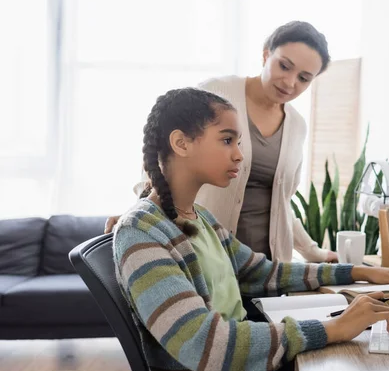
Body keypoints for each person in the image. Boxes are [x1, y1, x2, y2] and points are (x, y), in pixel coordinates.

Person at [114, 87, 389, 371]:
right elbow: (205, 344)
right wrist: (333, 328)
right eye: (227, 140)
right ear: (181, 143)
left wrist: (357, 271)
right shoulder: (141, 232)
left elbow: (264, 273)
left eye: (238, 142)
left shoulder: (200, 217)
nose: (239, 155)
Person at [107, 21, 338, 263]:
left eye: (303, 78)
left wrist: (314, 252)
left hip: (265, 268)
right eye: (284, 66)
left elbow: (281, 205)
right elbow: (163, 156)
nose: (290, 82)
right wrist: (139, 214)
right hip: (204, 256)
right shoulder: (217, 94)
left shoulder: (297, 125)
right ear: (266, 53)